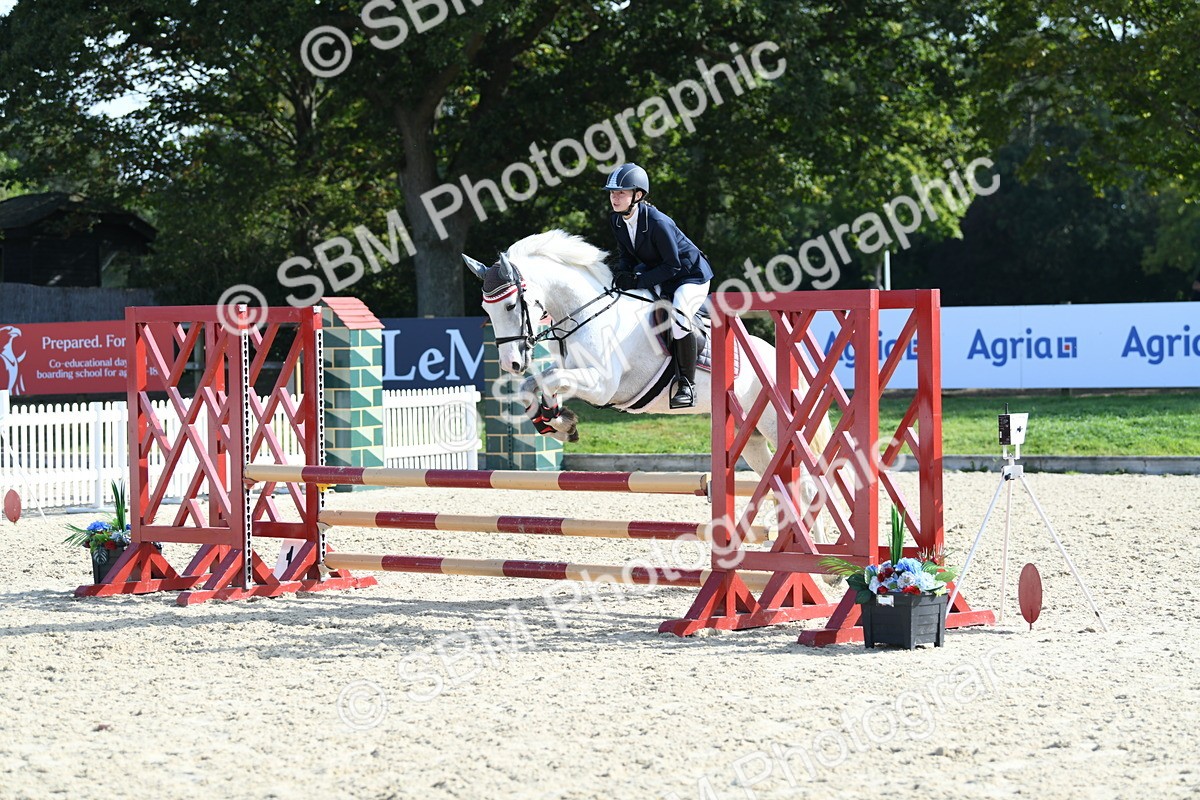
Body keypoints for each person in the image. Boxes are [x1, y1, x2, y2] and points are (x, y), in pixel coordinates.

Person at [604, 163, 713, 408]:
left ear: (638, 195)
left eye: (621, 192)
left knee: (680, 318)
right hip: (660, 272)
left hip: (689, 277)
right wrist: (622, 273)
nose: (615, 197)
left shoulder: (657, 222)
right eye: (612, 193)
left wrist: (639, 280)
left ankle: (686, 384)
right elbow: (628, 256)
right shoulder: (617, 221)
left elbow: (673, 266)